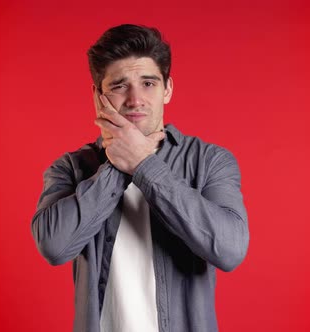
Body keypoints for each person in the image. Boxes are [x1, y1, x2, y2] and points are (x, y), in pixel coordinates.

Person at [31, 24, 249, 332]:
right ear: (98, 96)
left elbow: (229, 250)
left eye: (148, 83)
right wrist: (118, 163)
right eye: (119, 85)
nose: (135, 100)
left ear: (168, 89)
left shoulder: (210, 161)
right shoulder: (71, 168)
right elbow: (55, 246)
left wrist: (144, 164)